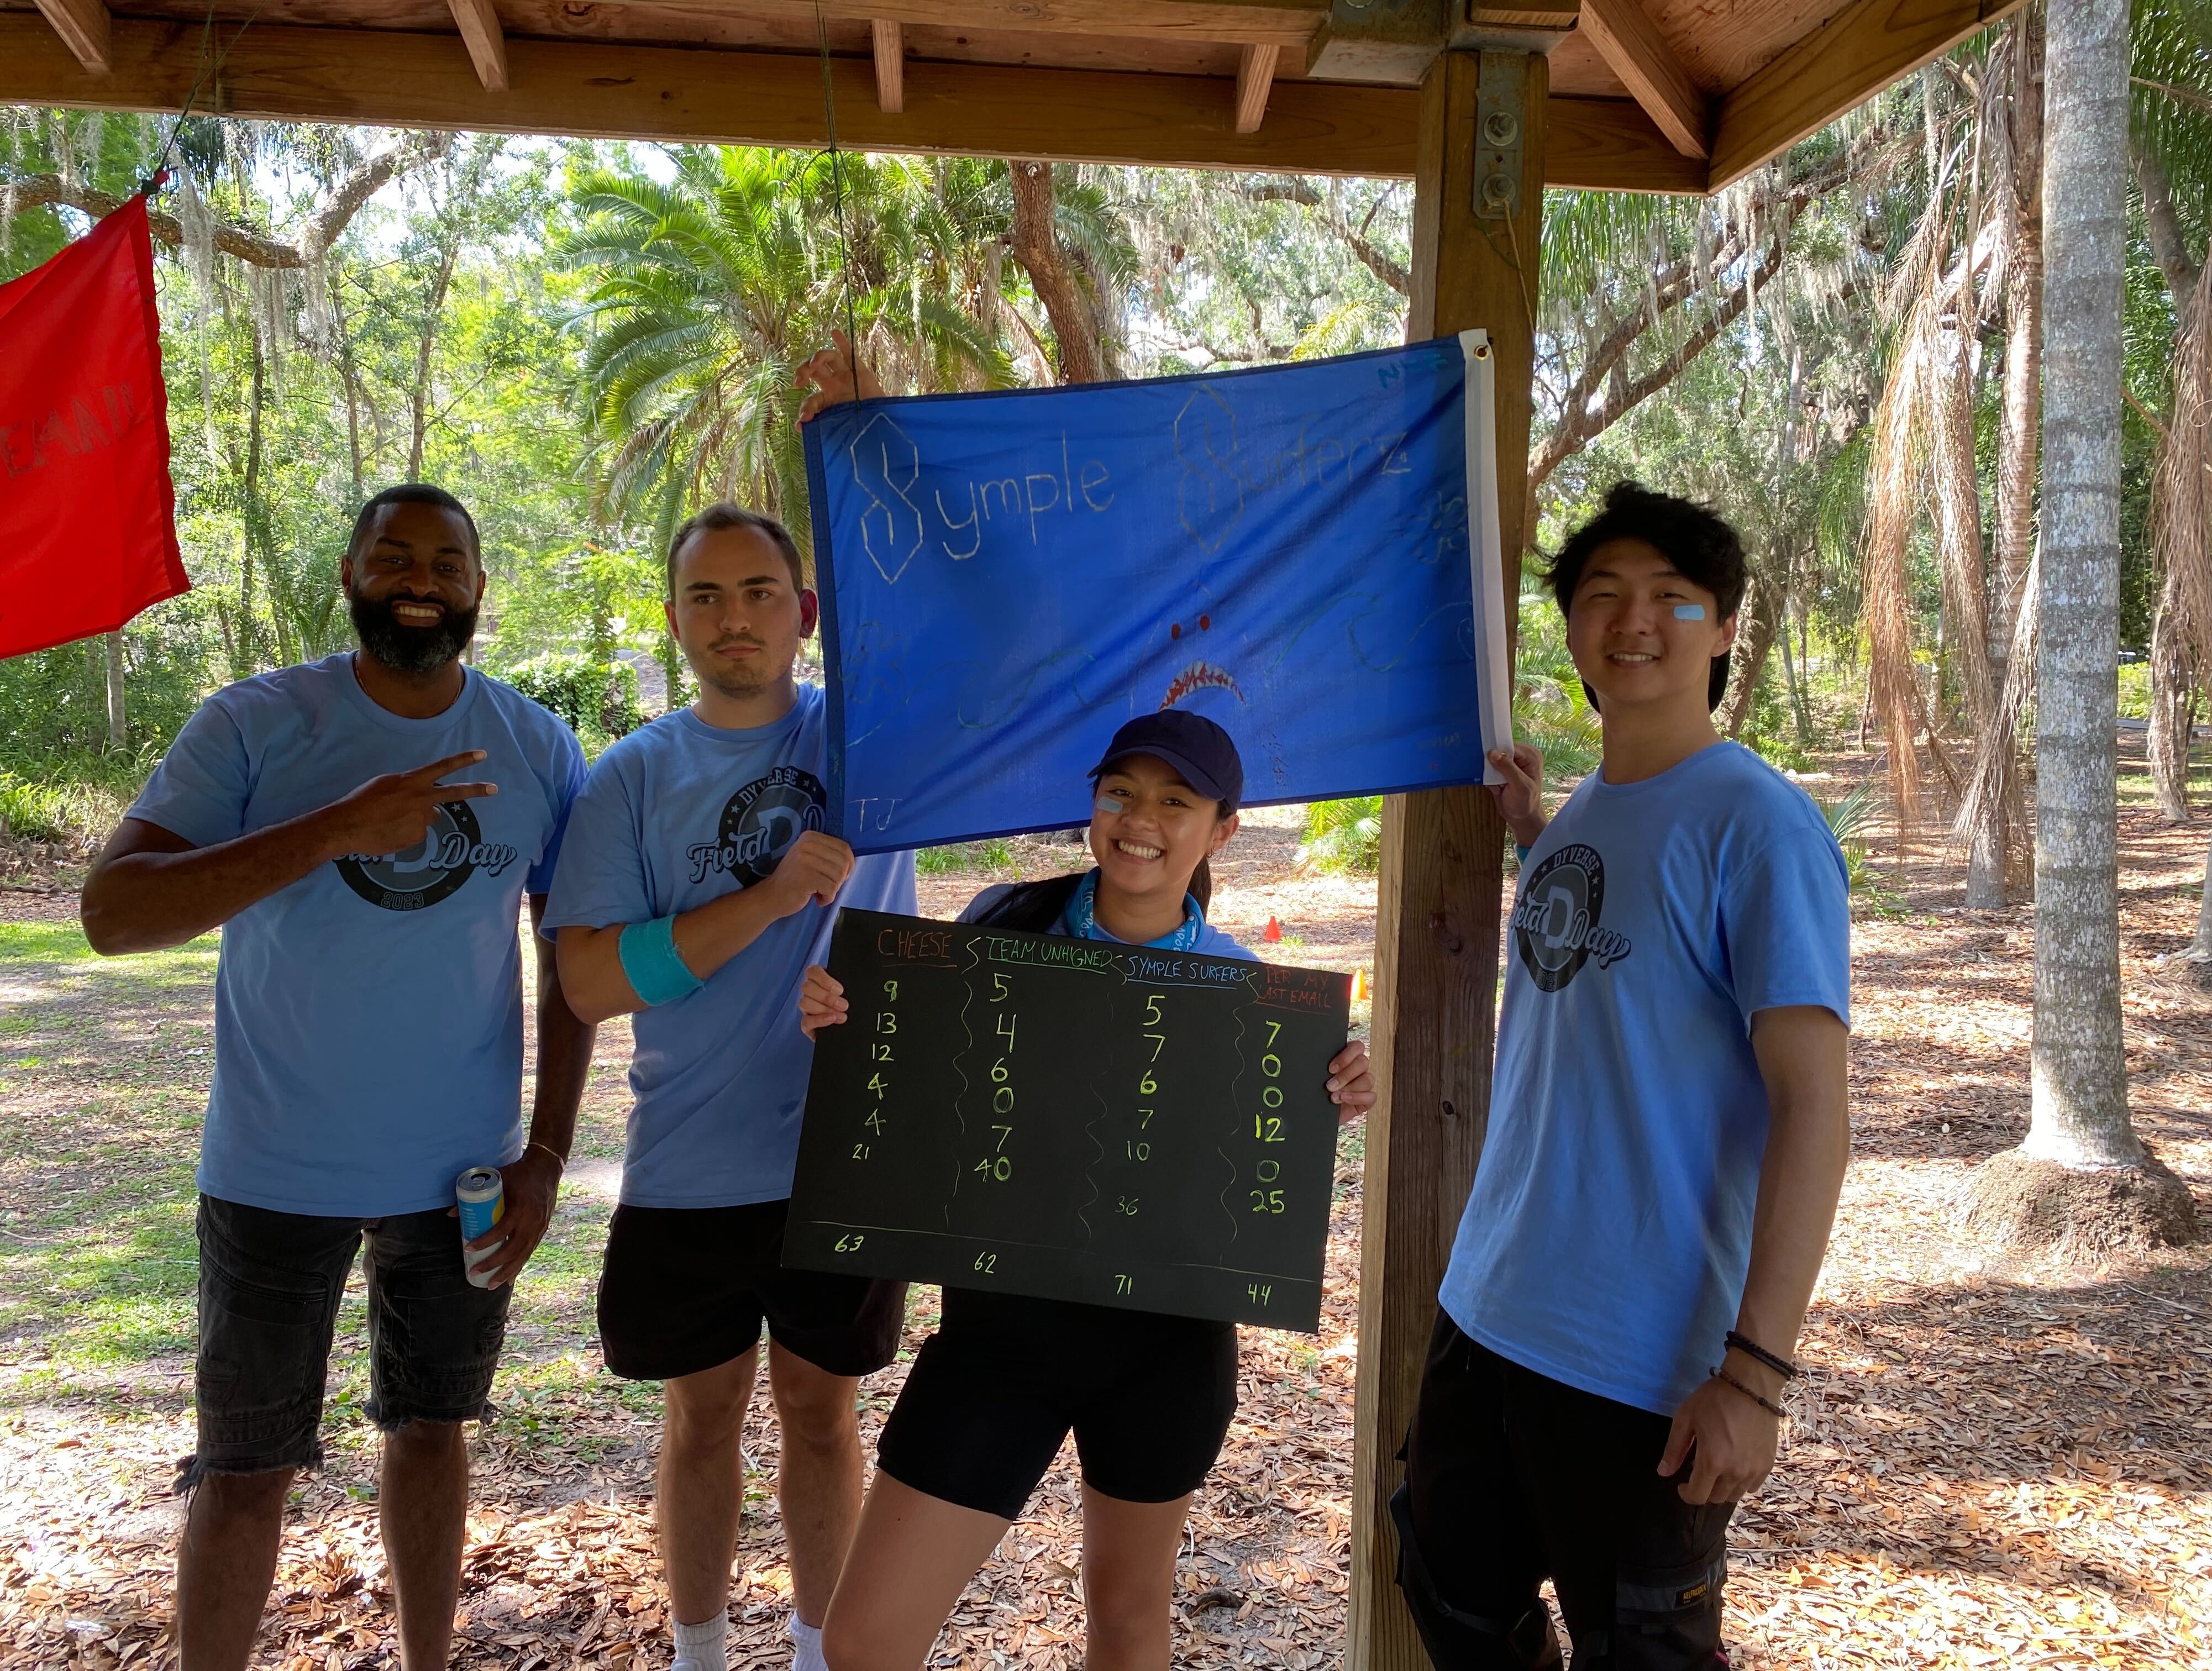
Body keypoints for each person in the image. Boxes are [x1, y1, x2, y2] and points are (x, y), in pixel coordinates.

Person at [77, 484, 598, 1671]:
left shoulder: (537, 744)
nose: (421, 578)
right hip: (274, 1165)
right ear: (350, 576)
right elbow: (114, 915)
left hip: (461, 1169)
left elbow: (569, 951)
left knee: (433, 1432)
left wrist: (549, 1152)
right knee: (244, 1466)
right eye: (393, 556)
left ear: (479, 587)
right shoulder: (257, 723)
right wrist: (330, 828)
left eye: (447, 561)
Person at [796, 709, 1378, 1671]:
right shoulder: (1001, 928)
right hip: (998, 1338)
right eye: (1121, 794)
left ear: (1221, 830)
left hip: (1165, 1349)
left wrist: (1334, 1095)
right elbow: (925, 1092)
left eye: (1175, 802)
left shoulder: (1254, 1000)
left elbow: (1263, 1168)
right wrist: (850, 1025)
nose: (1141, 819)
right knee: (864, 1640)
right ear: (1094, 806)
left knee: (1128, 1616)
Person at [1393, 482, 1852, 1670]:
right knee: (1448, 1593)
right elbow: (1614, 932)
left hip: (1639, 1360)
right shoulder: (1595, 806)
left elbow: (1816, 1105)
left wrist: (1755, 1376)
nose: (1633, 621)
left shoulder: (1760, 825)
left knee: (1641, 1650)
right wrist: (1536, 829)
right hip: (1489, 1312)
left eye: (1669, 599)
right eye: (1602, 597)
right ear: (1576, 635)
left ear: (1724, 629)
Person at [542, 501, 916, 1671]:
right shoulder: (630, 778)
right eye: (705, 596)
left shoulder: (878, 741)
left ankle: (819, 1654)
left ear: (805, 615)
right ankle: (698, 1654)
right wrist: (765, 899)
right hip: (688, 1162)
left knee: (822, 1415)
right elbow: (593, 981)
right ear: (674, 621)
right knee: (701, 1422)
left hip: (842, 1156)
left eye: (759, 592)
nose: (733, 618)